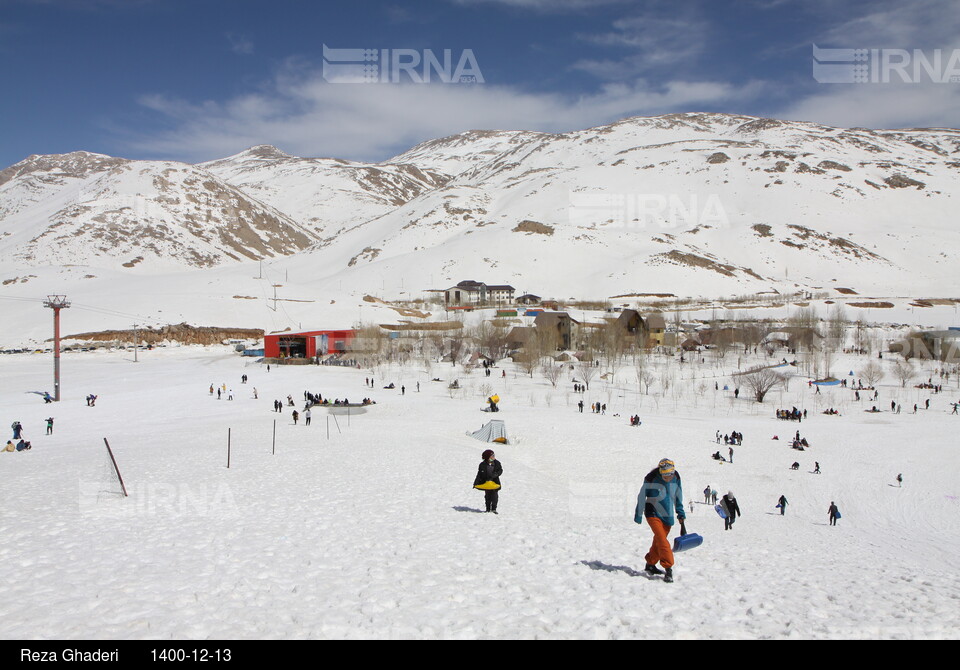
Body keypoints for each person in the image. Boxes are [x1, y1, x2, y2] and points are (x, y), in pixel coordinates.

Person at [635, 458, 685, 583]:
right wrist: (638, 513)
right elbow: (642, 495)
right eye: (665, 475)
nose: (668, 477)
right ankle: (668, 568)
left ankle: (650, 564)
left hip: (667, 514)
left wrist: (680, 513)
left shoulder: (676, 477)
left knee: (658, 540)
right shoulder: (651, 478)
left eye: (670, 474)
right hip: (652, 512)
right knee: (662, 540)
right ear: (660, 472)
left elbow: (678, 496)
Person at [473, 449, 502, 514]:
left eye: (493, 455)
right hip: (486, 483)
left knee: (494, 496)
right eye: (492, 456)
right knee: (487, 496)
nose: (493, 457)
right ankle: (488, 508)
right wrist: (476, 483)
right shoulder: (482, 465)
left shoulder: (497, 463)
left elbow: (500, 470)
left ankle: (494, 509)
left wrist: (496, 474)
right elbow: (479, 474)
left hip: (494, 482)